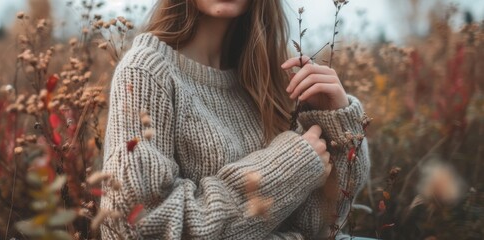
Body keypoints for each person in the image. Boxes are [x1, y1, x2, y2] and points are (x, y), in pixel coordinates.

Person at [101, 0, 370, 239]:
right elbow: (136, 227)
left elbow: (324, 225)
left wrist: (336, 122)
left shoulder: (271, 77)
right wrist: (287, 167)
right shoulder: (146, 72)